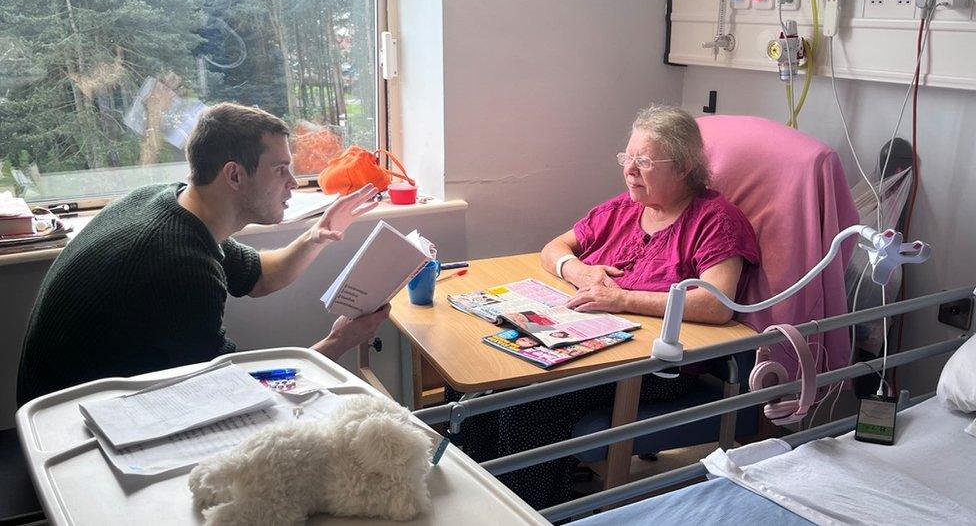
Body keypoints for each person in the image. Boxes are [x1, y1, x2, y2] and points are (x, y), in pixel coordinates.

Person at [458, 105, 760, 509]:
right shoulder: (623, 209)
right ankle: (475, 501)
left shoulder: (715, 221)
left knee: (527, 405)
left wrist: (621, 299)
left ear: (685, 166)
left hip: (655, 366)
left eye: (645, 161)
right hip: (588, 342)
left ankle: (532, 512)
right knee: (479, 385)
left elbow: (715, 303)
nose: (630, 171)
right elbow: (554, 248)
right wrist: (578, 271)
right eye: (628, 159)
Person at [17, 103, 389, 405]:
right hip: (72, 431)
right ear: (234, 175)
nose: (292, 183)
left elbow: (259, 277)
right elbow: (238, 394)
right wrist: (340, 341)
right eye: (281, 170)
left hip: (70, 407)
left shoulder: (170, 203)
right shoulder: (178, 263)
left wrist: (318, 235)